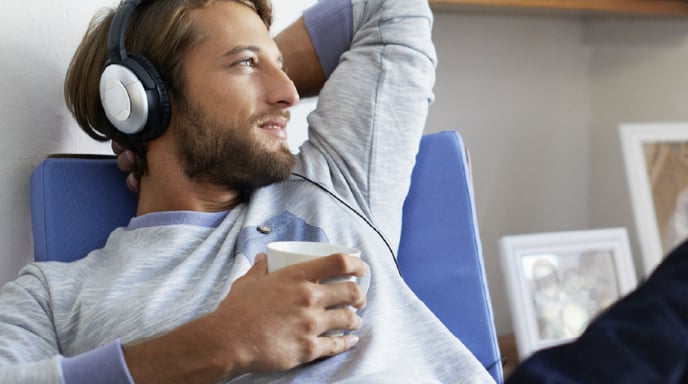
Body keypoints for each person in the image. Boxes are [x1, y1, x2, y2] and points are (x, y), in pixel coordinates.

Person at [0, 0, 495, 383]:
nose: (288, 93)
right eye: (244, 64)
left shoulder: (336, 181)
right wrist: (219, 343)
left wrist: (249, 76)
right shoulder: (55, 297)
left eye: (279, 65)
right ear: (142, 100)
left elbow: (386, 10)